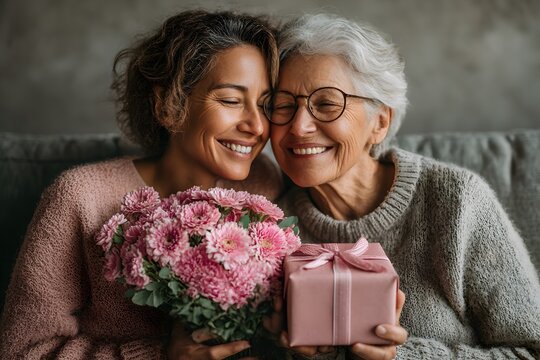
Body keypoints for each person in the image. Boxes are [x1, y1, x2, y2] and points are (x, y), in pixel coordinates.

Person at [0, 10, 282, 359]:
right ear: (167, 104)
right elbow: (23, 351)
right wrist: (159, 355)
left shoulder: (264, 183)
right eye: (230, 100)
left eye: (266, 105)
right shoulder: (79, 198)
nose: (257, 126)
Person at [265, 14, 540, 359]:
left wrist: (403, 356)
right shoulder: (270, 229)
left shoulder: (456, 201)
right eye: (283, 106)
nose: (299, 125)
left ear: (380, 122)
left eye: (326, 104)